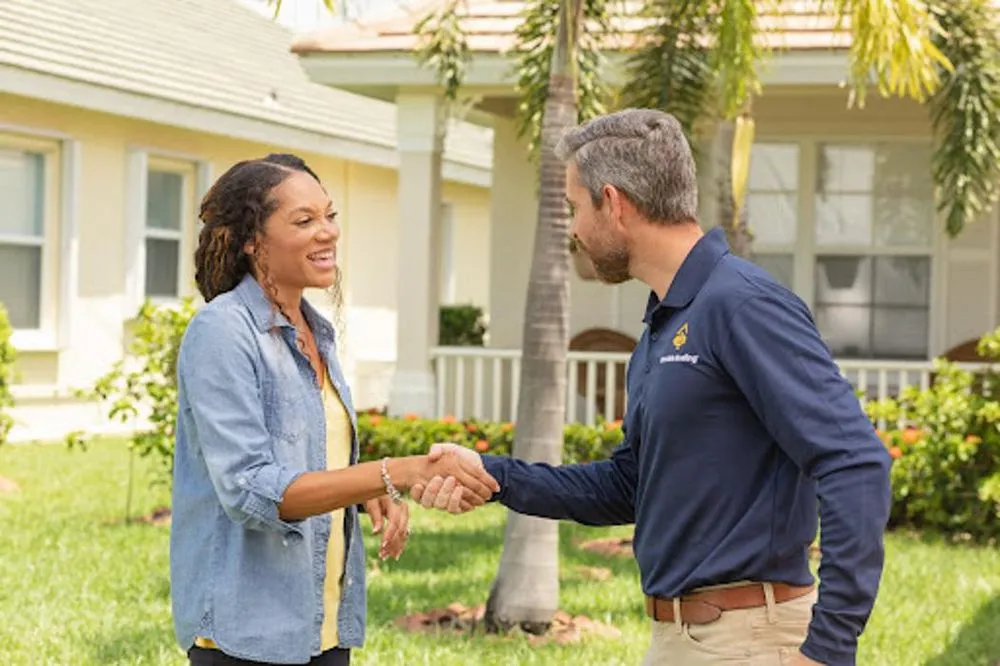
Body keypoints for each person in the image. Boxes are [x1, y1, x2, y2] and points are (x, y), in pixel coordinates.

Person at [412, 109, 893, 666]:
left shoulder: (741, 303)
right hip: (679, 639)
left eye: (574, 207)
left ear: (613, 203)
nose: (573, 230)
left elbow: (855, 461)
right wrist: (494, 475)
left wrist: (829, 647)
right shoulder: (665, 324)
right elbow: (630, 485)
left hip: (750, 641)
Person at [170, 153, 499, 666]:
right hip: (246, 633)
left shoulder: (315, 330)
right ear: (253, 240)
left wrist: (367, 491)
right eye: (304, 220)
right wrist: (395, 472)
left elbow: (310, 456)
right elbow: (251, 488)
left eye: (330, 215)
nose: (327, 232)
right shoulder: (223, 331)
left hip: (321, 625)